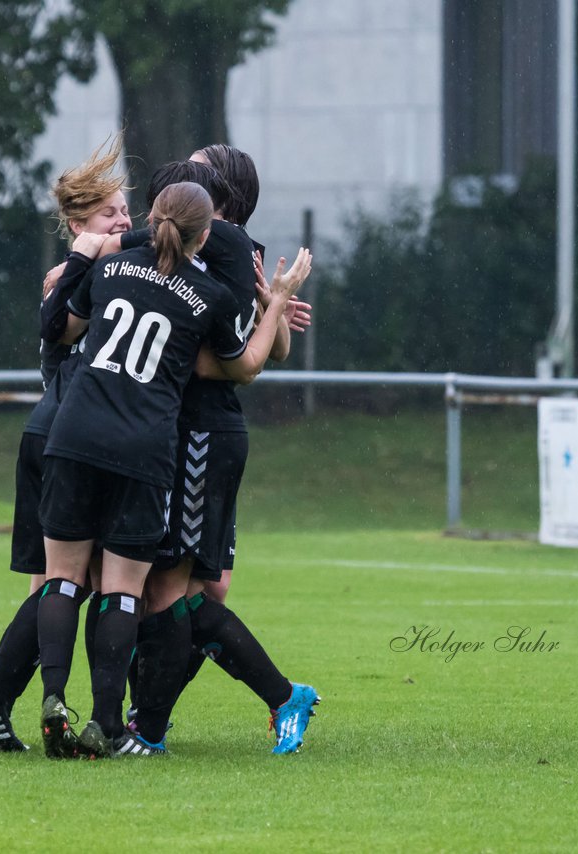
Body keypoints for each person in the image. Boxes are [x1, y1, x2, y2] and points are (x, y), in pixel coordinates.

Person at [35, 182, 312, 759]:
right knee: (134, 591)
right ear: (205, 234)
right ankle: (118, 726)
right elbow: (250, 365)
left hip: (79, 432)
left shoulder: (113, 270)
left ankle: (59, 700)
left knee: (66, 581)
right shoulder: (207, 293)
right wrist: (278, 299)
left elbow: (61, 326)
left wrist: (74, 266)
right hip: (145, 445)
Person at [126, 146, 321, 755]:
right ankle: (148, 718)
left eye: (199, 170)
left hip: (201, 433)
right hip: (188, 433)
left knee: (175, 593)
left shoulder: (232, 248)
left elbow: (263, 357)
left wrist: (273, 308)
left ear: (223, 194)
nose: (185, 175)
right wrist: (274, 307)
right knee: (195, 593)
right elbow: (269, 345)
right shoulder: (193, 244)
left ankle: (150, 724)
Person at [0, 137, 131, 752]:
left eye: (127, 212)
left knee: (55, 588)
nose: (125, 223)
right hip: (61, 440)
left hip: (62, 437)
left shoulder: (94, 272)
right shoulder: (74, 277)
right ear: (79, 224)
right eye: (111, 213)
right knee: (69, 585)